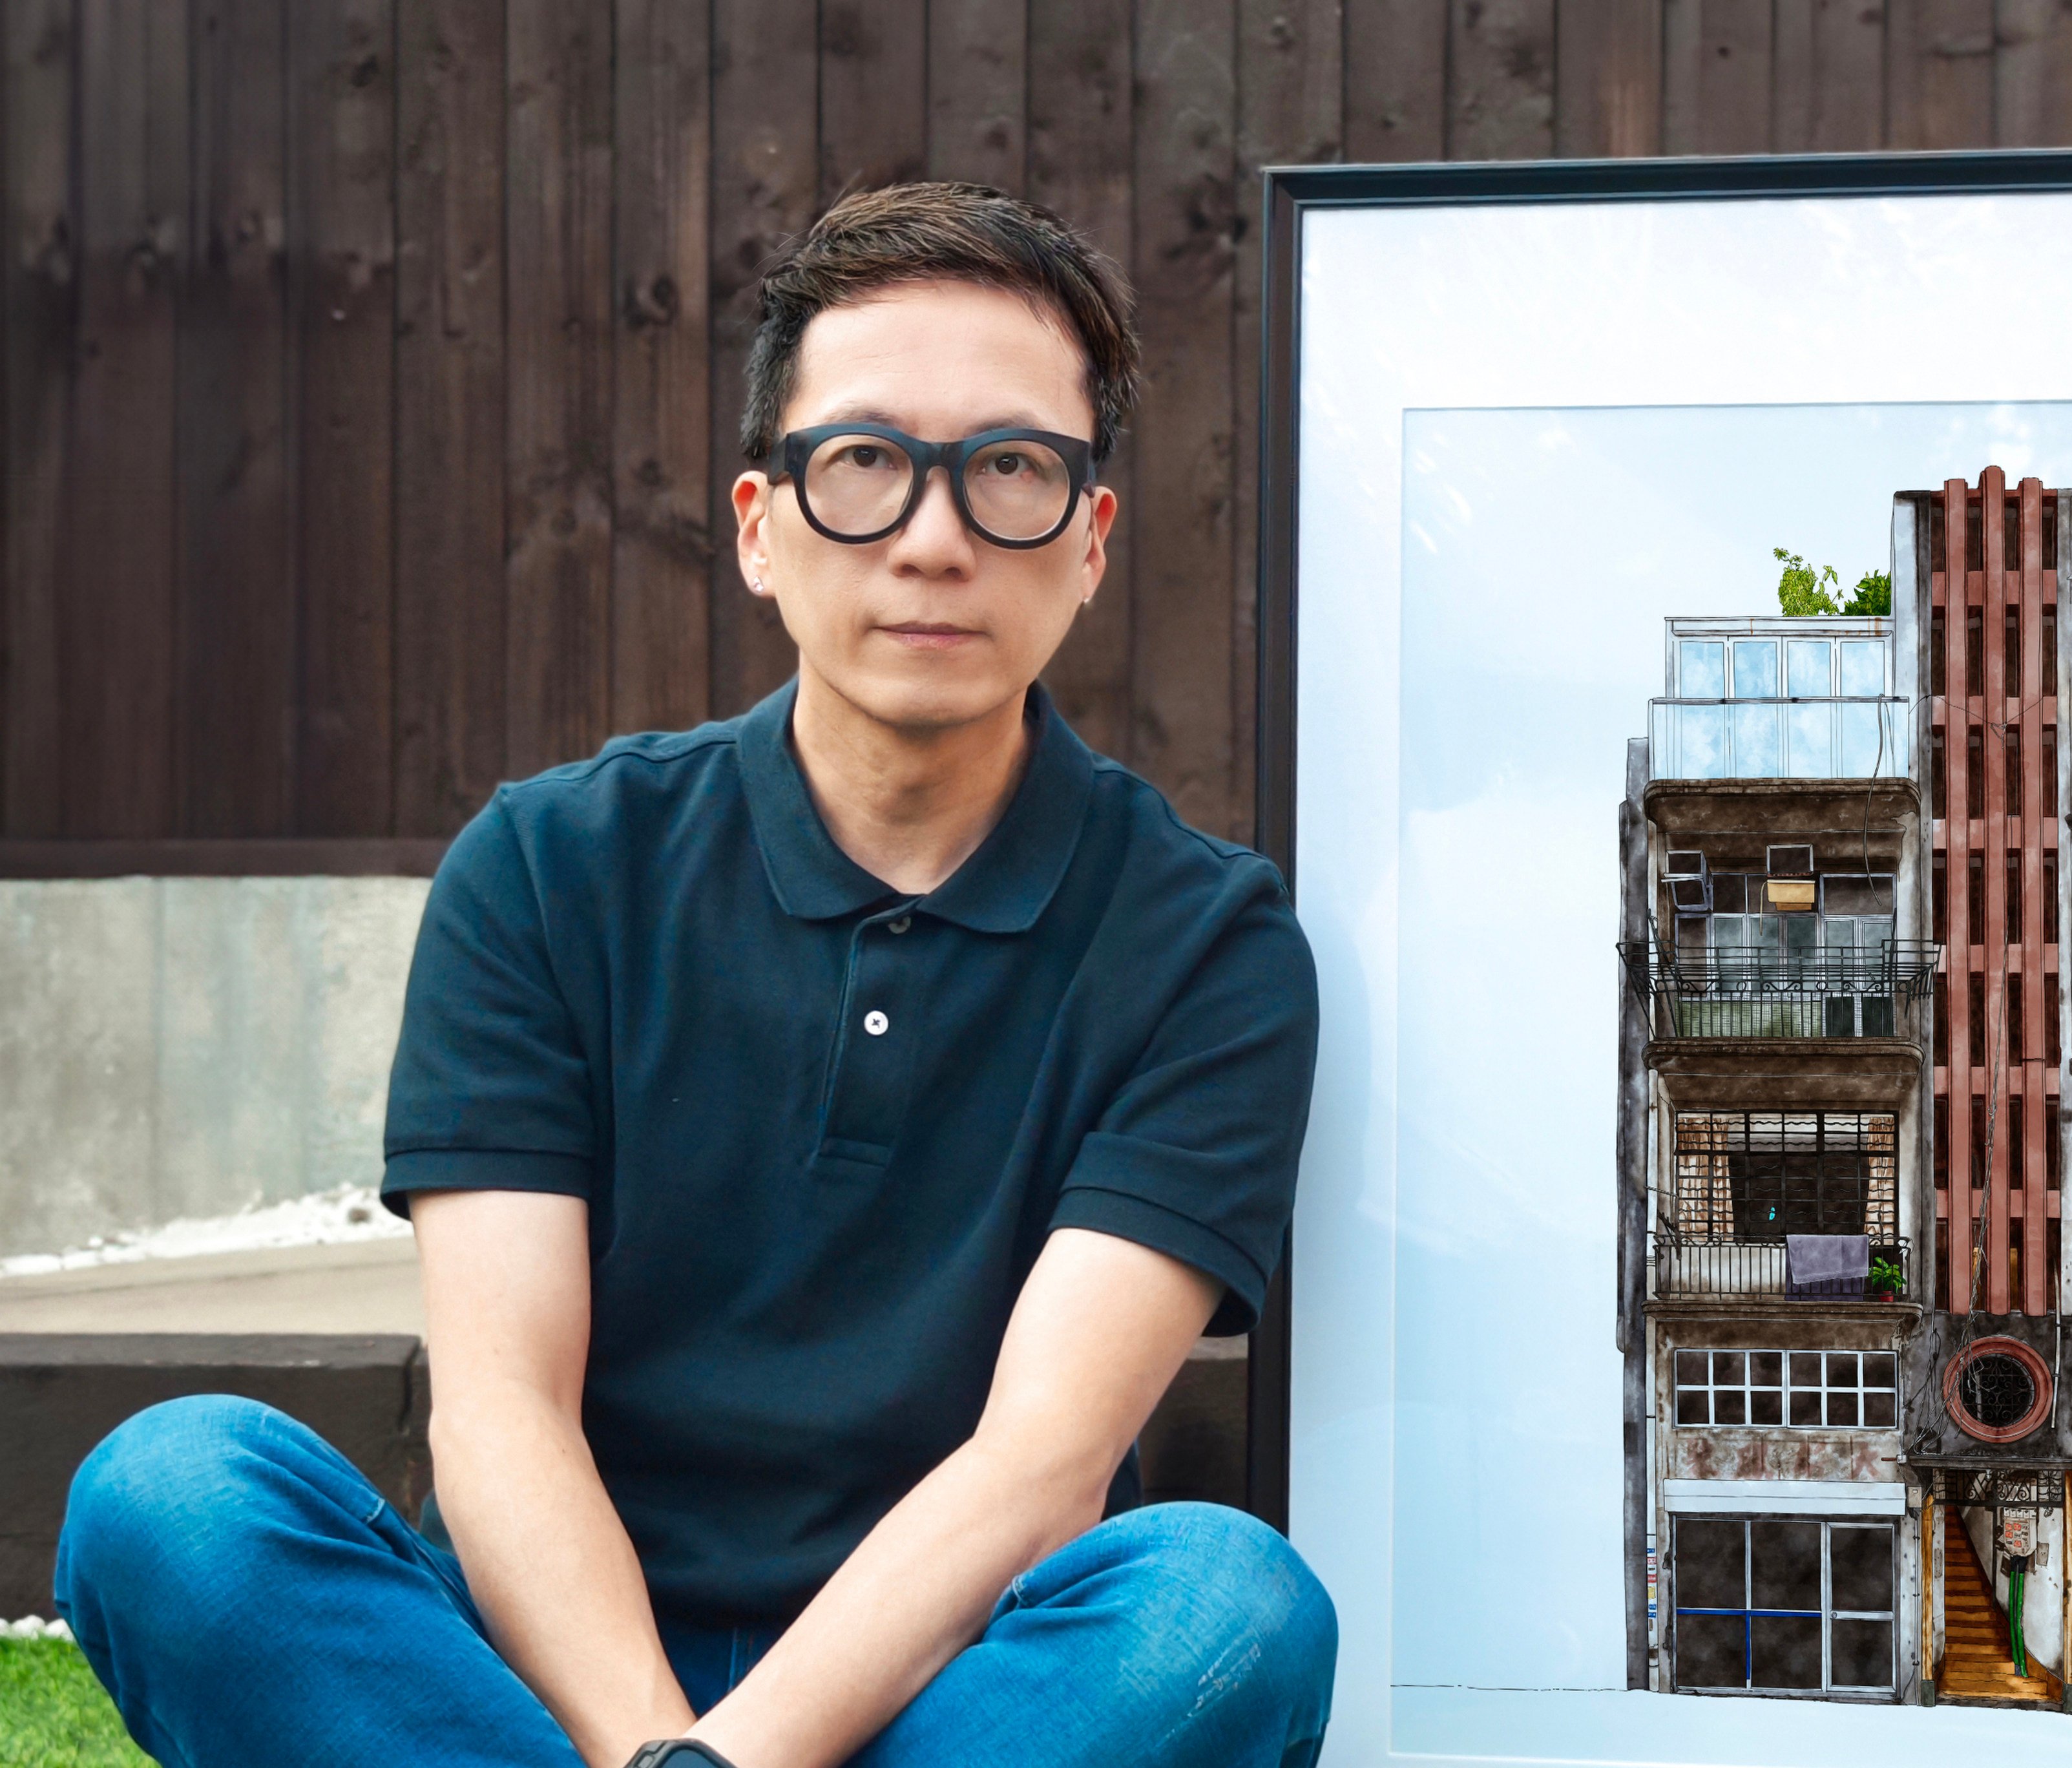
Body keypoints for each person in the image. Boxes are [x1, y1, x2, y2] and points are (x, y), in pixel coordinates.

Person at [53, 183, 1334, 1768]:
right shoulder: (548, 867)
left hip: (956, 1685)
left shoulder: (1207, 943)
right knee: (170, 1493)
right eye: (864, 464)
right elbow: (504, 1409)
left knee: (1227, 1601)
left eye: (1010, 470)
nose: (933, 540)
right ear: (759, 525)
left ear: (1088, 542)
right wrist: (664, 1751)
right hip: (541, 1670)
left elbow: (1040, 1466)